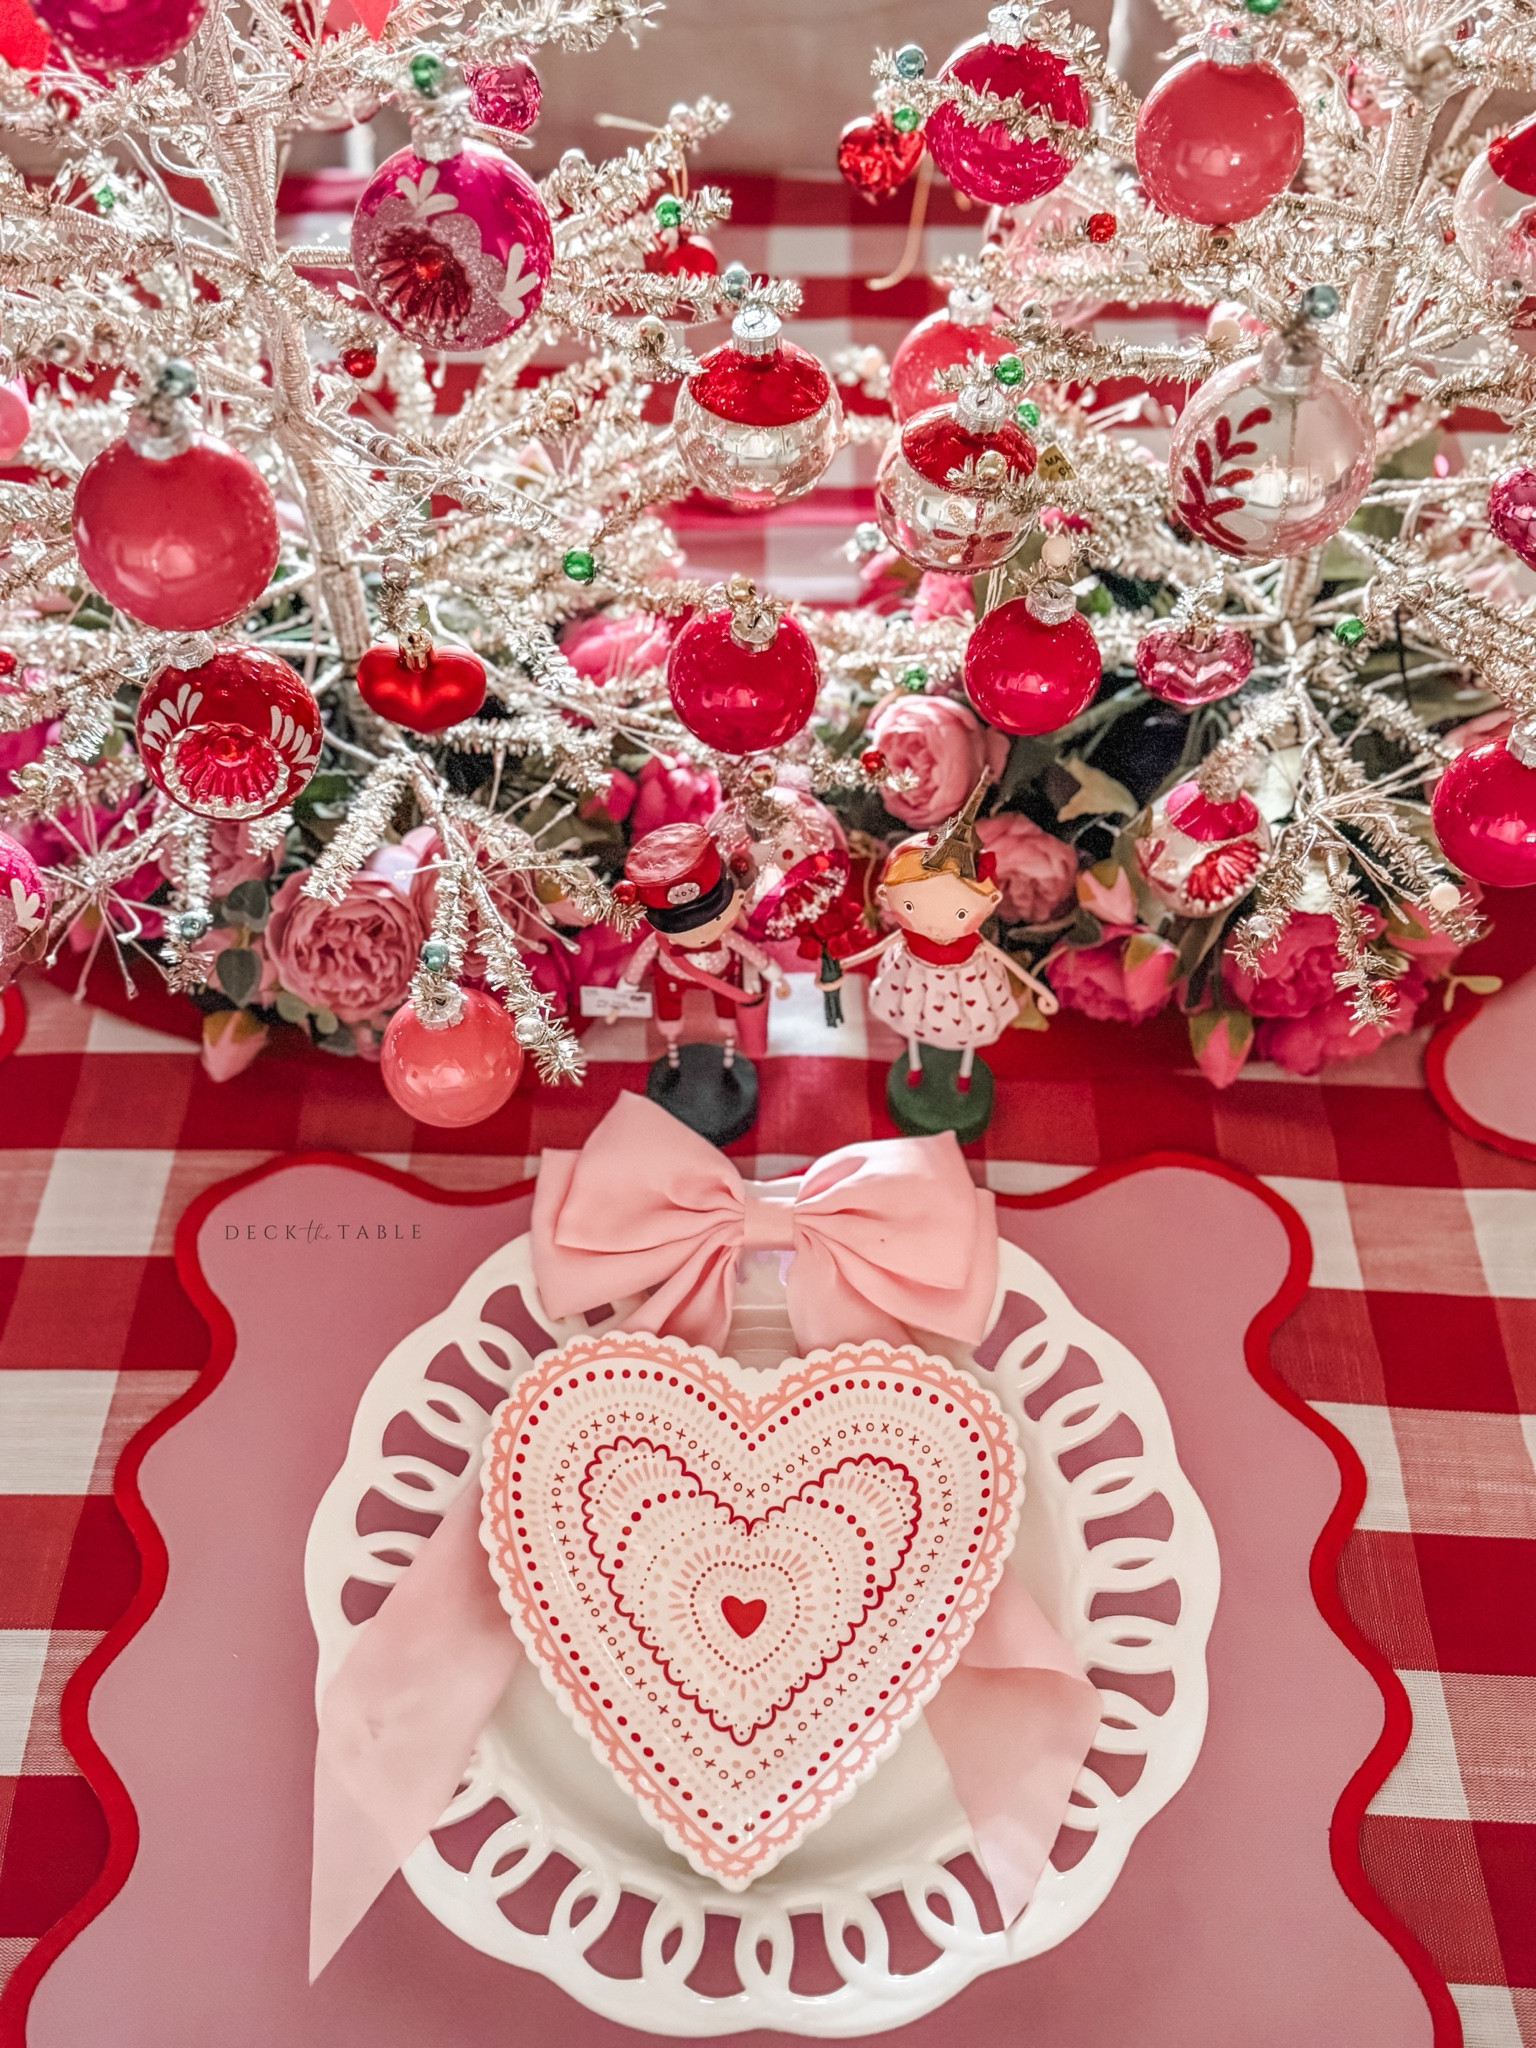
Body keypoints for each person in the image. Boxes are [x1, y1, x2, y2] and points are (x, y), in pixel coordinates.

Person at [829, 777, 1057, 1093]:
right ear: (885, 895)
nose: (936, 925)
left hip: (968, 984)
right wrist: (842, 965)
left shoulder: (972, 944)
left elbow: (1007, 962)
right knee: (911, 1023)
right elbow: (877, 947)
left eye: (961, 914)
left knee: (970, 1028)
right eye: (908, 905)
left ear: (991, 902)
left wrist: (1040, 991)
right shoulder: (909, 940)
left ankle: (965, 1071)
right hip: (912, 980)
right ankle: (915, 1064)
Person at [615, 821, 790, 1070]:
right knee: (668, 1008)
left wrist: (772, 972)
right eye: (683, 927)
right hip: (672, 975)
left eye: (713, 918)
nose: (699, 935)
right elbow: (640, 961)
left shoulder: (725, 937)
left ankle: (729, 1048)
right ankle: (672, 1046)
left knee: (726, 1009)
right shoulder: (660, 942)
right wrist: (626, 988)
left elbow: (748, 950)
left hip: (721, 973)